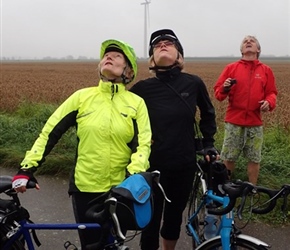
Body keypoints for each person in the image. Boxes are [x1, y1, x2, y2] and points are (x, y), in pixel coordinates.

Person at [11, 39, 152, 248]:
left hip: (120, 190)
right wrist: (27, 168)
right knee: (91, 245)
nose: (109, 57)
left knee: (114, 242)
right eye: (106, 55)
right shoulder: (82, 97)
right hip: (85, 188)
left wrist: (132, 178)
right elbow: (50, 132)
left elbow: (143, 144)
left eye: (117, 55)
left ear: (128, 71)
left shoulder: (136, 103)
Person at [130, 29, 218, 250]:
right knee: (149, 221)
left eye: (168, 43)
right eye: (157, 44)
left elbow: (208, 113)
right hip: (151, 167)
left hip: (184, 164)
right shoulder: (141, 89)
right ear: (152, 58)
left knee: (173, 218)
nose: (162, 45)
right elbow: (126, 121)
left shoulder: (193, 83)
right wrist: (133, 145)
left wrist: (208, 143)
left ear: (179, 54)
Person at [214, 35, 278, 185]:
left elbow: (272, 92)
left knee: (254, 158)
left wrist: (269, 102)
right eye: (245, 41)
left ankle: (253, 189)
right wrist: (225, 87)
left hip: (255, 122)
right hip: (233, 121)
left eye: (252, 41)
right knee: (229, 157)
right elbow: (218, 94)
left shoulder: (266, 70)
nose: (248, 42)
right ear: (241, 50)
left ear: (258, 49)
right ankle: (225, 189)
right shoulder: (231, 68)